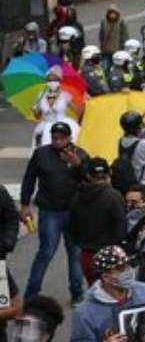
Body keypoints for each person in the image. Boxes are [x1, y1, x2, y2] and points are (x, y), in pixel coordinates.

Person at [20, 122, 87, 302]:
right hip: (49, 211)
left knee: (75, 254)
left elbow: (90, 180)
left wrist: (78, 164)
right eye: (54, 137)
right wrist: (25, 205)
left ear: (69, 138)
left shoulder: (80, 154)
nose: (58, 141)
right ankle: (31, 293)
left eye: (62, 138)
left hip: (74, 212)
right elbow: (29, 179)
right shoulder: (41, 154)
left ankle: (77, 293)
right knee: (46, 252)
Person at [67, 245, 145, 342]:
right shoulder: (84, 312)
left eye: (128, 265)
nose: (128, 271)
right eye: (121, 268)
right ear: (106, 277)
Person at [68, 158, 126, 285]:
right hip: (109, 255)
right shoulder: (114, 196)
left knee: (95, 289)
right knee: (112, 291)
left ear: (88, 175)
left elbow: (72, 228)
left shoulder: (77, 197)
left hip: (87, 254)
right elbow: (121, 227)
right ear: (109, 173)